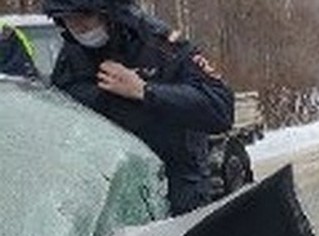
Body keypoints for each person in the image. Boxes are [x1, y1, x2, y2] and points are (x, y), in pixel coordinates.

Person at [42, 0, 234, 216]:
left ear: (109, 13)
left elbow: (221, 107)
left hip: (177, 187)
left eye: (85, 17)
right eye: (68, 19)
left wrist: (144, 91)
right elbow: (59, 115)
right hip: (108, 193)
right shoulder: (72, 55)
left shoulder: (162, 45)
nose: (78, 27)